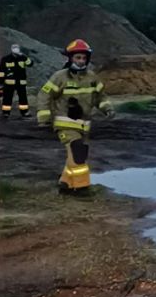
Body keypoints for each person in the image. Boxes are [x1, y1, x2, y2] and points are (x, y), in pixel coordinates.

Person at [37, 39, 113, 194]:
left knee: (78, 153)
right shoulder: (60, 77)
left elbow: (101, 97)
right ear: (70, 58)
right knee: (77, 153)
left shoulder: (92, 78)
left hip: (84, 125)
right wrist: (44, 118)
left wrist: (108, 109)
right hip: (65, 123)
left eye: (84, 58)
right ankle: (81, 186)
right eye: (78, 58)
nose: (81, 61)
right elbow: (44, 95)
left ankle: (65, 182)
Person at [1, 43, 33, 119]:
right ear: (11, 49)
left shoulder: (23, 58)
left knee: (23, 98)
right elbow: (1, 72)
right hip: (9, 83)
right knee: (7, 98)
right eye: (14, 48)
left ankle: (24, 112)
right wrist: (0, 83)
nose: (16, 49)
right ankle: (6, 113)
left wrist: (24, 57)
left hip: (21, 83)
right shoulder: (6, 59)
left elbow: (30, 64)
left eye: (17, 48)